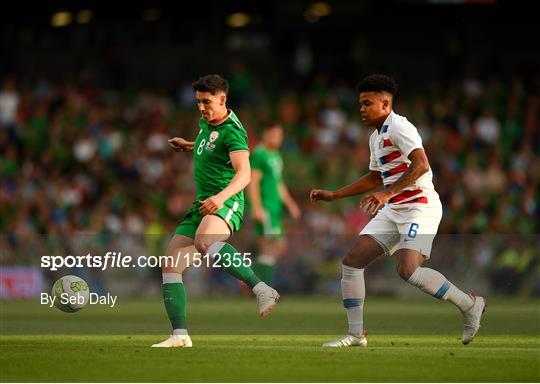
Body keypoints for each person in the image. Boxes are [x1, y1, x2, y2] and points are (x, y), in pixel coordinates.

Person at [310, 74, 486, 347]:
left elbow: (421, 164)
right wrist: (335, 194)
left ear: (385, 104)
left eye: (367, 103)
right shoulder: (375, 137)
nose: (362, 109)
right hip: (393, 208)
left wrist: (388, 193)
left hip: (419, 207)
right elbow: (374, 177)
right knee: (352, 262)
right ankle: (356, 335)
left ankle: (469, 304)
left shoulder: (400, 127)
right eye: (360, 103)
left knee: (407, 270)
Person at [152, 74, 279, 348]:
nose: (201, 107)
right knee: (171, 263)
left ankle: (262, 289)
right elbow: (209, 144)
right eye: (198, 102)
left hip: (226, 201)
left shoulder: (233, 131)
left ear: (222, 99)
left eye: (206, 102)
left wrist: (221, 198)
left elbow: (244, 174)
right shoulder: (207, 121)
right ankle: (180, 335)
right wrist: (189, 145)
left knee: (204, 241)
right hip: (202, 204)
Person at [247, 122, 301, 285]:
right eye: (274, 135)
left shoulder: (276, 156)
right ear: (265, 133)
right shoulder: (259, 155)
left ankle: (251, 282)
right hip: (266, 208)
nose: (278, 139)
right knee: (274, 245)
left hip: (275, 209)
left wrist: (290, 203)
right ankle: (258, 285)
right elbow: (253, 181)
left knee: (274, 246)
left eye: (280, 135)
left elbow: (278, 183)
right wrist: (256, 207)